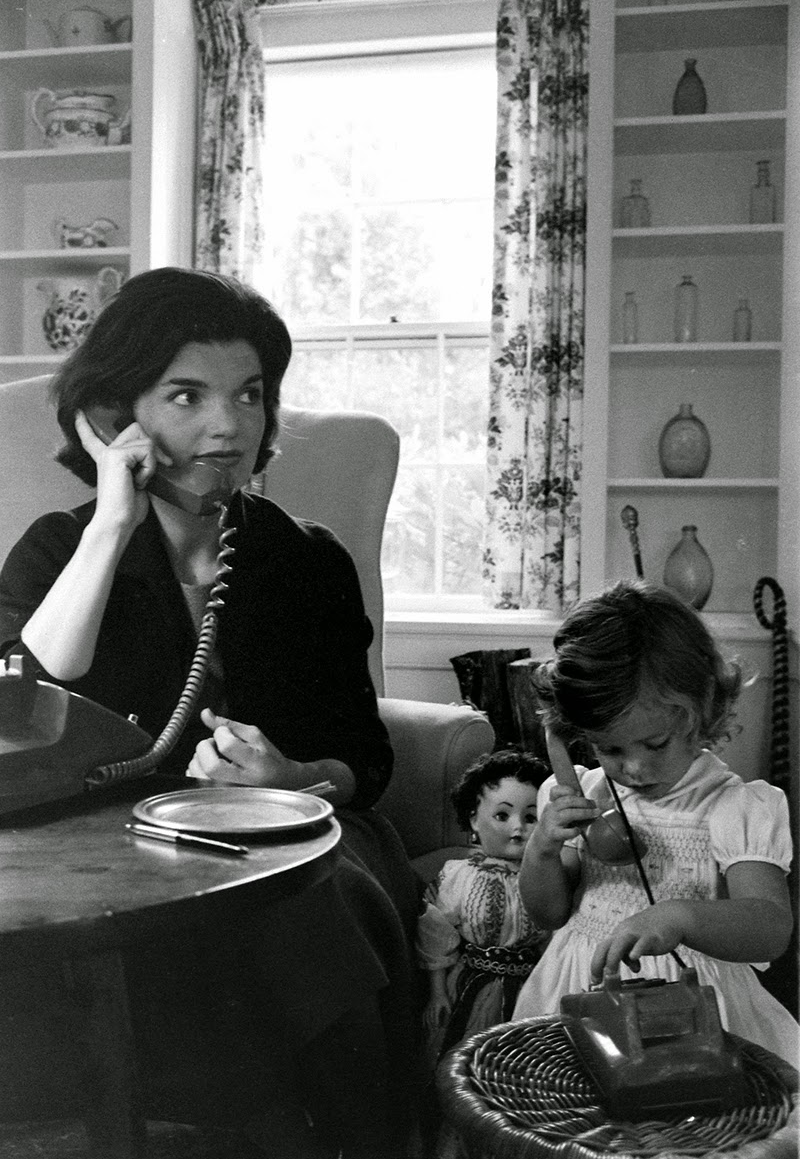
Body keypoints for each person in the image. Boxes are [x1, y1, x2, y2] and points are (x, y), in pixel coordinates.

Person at [0, 266, 419, 1159]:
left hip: (299, 841)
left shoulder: (305, 562)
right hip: (117, 855)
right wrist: (111, 526)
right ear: (120, 415)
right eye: (185, 395)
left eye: (250, 396)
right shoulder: (57, 553)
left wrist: (293, 780)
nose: (227, 427)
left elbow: (364, 757)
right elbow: (23, 694)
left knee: (314, 911)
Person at [513, 580, 799, 1068]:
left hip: (697, 1015)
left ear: (701, 710)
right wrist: (542, 847)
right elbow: (548, 915)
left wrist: (681, 917)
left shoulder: (734, 807)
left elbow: (770, 927)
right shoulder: (586, 794)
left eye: (656, 743)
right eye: (611, 748)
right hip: (581, 997)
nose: (636, 770)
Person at [417, 749, 550, 1062]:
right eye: (502, 815)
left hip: (529, 988)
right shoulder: (459, 875)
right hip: (470, 985)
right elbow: (436, 932)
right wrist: (437, 991)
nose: (517, 828)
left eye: (531, 817)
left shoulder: (547, 877)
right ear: (474, 818)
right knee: (465, 1056)